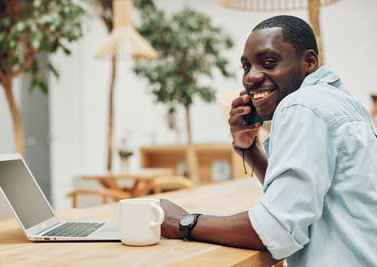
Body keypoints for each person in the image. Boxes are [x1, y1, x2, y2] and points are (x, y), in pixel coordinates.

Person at [160, 15, 377, 266]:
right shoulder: (345, 103)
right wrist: (248, 148)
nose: (251, 77)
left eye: (268, 62)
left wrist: (184, 223)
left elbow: (276, 229)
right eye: (246, 66)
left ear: (309, 61)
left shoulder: (301, 105)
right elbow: (297, 198)